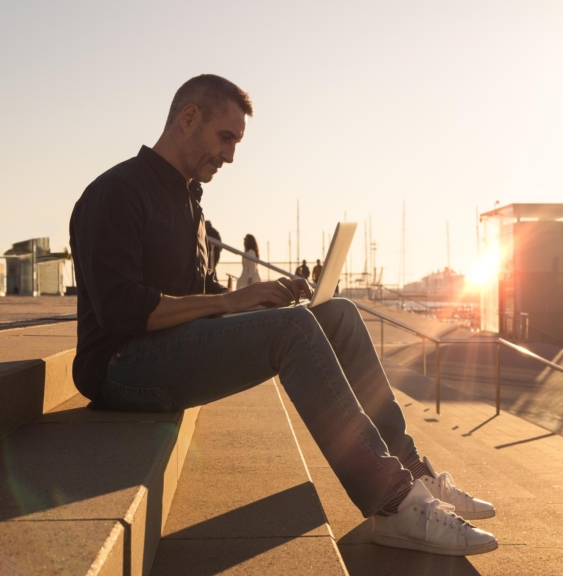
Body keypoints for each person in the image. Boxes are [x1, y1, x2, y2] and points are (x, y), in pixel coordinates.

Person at [68, 74, 497, 556]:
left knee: (336, 313)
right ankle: (394, 502)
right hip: (120, 368)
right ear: (189, 118)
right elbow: (122, 309)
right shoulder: (115, 192)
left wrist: (258, 297)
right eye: (225, 137)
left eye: (236, 142)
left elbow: (194, 295)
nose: (230, 156)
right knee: (294, 331)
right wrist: (231, 303)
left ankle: (413, 471)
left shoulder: (189, 204)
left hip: (165, 350)